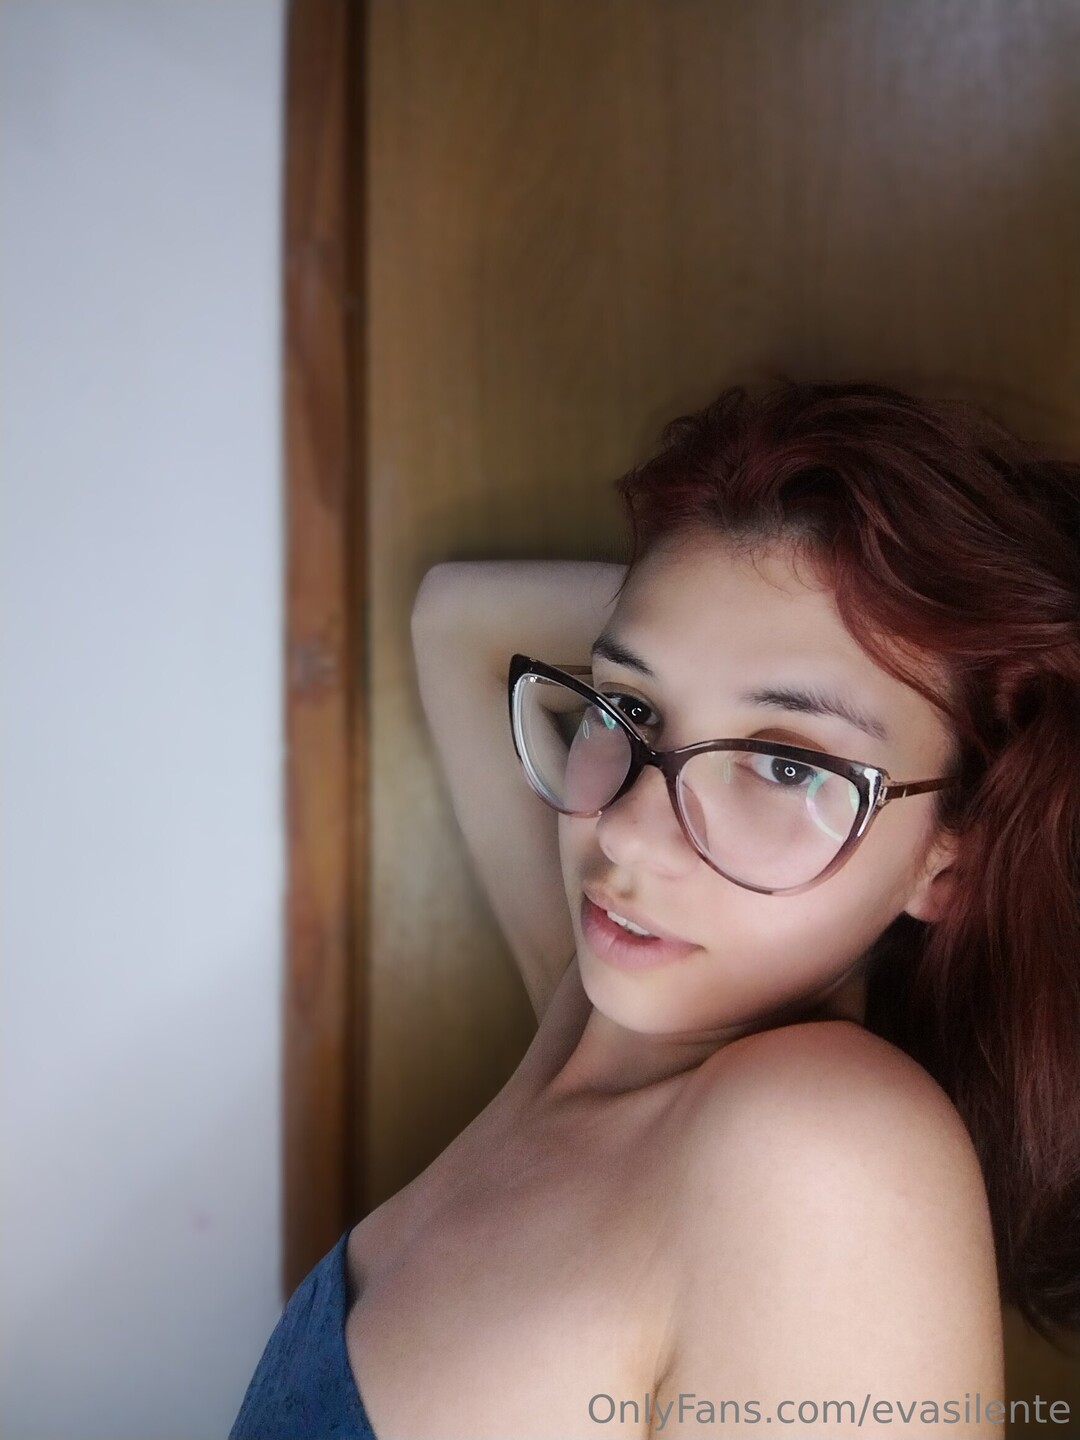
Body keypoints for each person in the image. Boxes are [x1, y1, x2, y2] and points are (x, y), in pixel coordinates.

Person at [229, 380, 1080, 1440]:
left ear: (953, 862)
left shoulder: (826, 1151)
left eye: (787, 765)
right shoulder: (591, 1015)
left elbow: (459, 619)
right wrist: (739, 588)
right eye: (627, 706)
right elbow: (455, 617)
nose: (628, 834)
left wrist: (1008, 698)